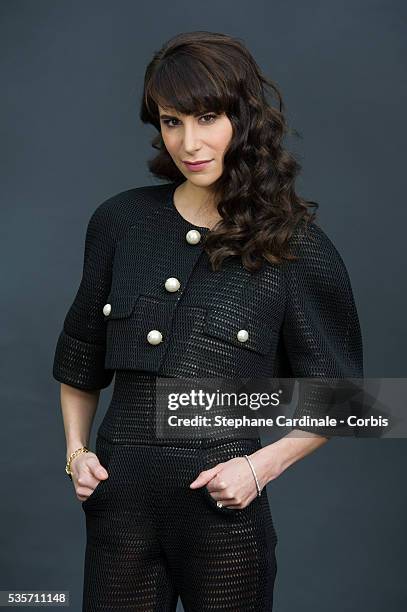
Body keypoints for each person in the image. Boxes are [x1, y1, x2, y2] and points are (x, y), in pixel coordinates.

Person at [52, 31, 363, 612]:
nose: (188, 142)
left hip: (223, 518)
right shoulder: (121, 222)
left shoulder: (293, 245)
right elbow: (80, 358)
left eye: (207, 117)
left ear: (244, 120)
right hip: (120, 510)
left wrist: (258, 468)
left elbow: (346, 400)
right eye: (172, 122)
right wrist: (76, 453)